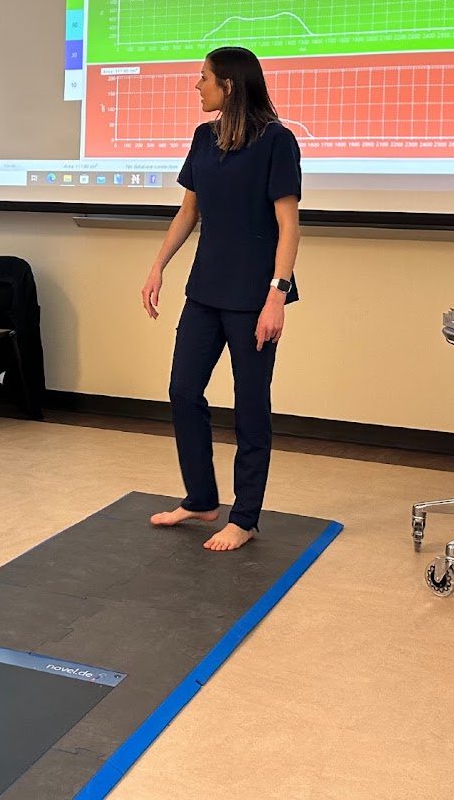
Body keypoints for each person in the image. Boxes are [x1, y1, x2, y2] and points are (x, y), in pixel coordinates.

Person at [140, 47, 301, 551]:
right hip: (205, 290)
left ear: (229, 86)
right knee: (183, 391)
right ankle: (202, 499)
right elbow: (189, 211)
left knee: (251, 408)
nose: (197, 86)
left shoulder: (277, 141)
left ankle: (245, 516)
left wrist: (277, 295)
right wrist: (157, 265)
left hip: (255, 296)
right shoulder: (203, 139)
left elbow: (288, 225)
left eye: (204, 79)